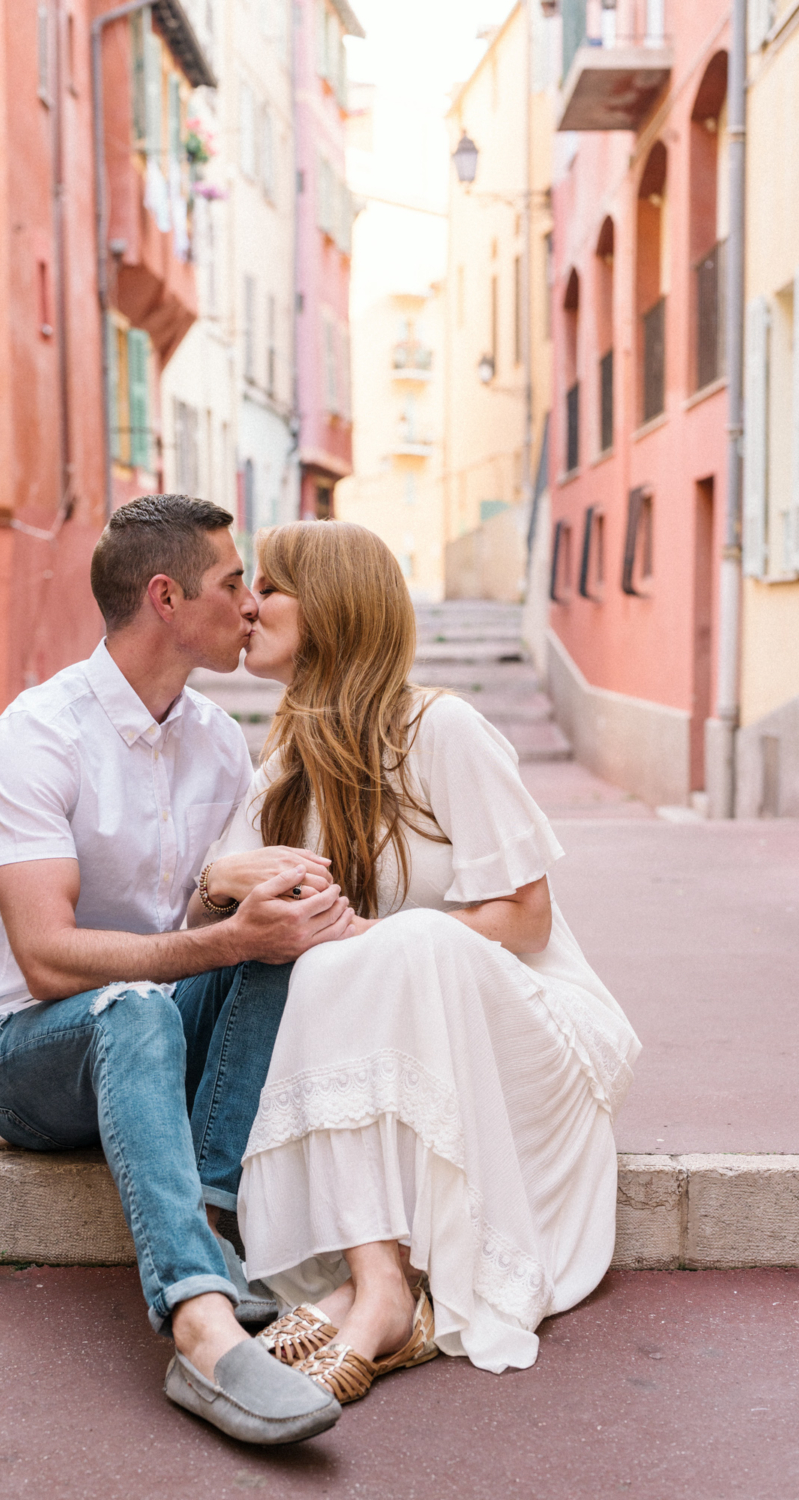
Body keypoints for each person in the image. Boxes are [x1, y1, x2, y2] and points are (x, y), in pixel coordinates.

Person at [196, 520, 642, 1404]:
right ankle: (379, 1283)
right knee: (324, 964)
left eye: (269, 589)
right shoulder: (286, 759)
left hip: (521, 1030)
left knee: (384, 946)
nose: (247, 607)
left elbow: (525, 915)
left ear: (326, 608)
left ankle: (376, 1297)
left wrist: (379, 943)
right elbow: (224, 883)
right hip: (401, 1031)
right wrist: (224, 875)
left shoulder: (442, 727)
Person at [0, 495, 356, 1445]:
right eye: (232, 585)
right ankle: (203, 1328)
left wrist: (251, 904)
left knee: (275, 943)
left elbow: (191, 925)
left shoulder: (218, 740)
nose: (252, 607)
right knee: (135, 1002)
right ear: (167, 598)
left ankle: (208, 1212)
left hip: (153, 1026)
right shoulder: (38, 735)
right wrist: (220, 939)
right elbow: (48, 960)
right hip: (30, 1060)